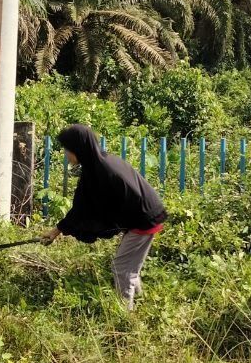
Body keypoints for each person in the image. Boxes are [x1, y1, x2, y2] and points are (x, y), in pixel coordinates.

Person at [42, 124, 167, 310]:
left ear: (78, 149)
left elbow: (84, 208)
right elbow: (82, 206)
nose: (66, 154)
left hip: (143, 218)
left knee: (121, 267)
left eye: (68, 150)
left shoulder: (101, 170)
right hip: (145, 214)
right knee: (130, 265)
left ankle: (125, 314)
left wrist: (58, 231)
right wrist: (56, 231)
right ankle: (141, 305)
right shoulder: (99, 164)